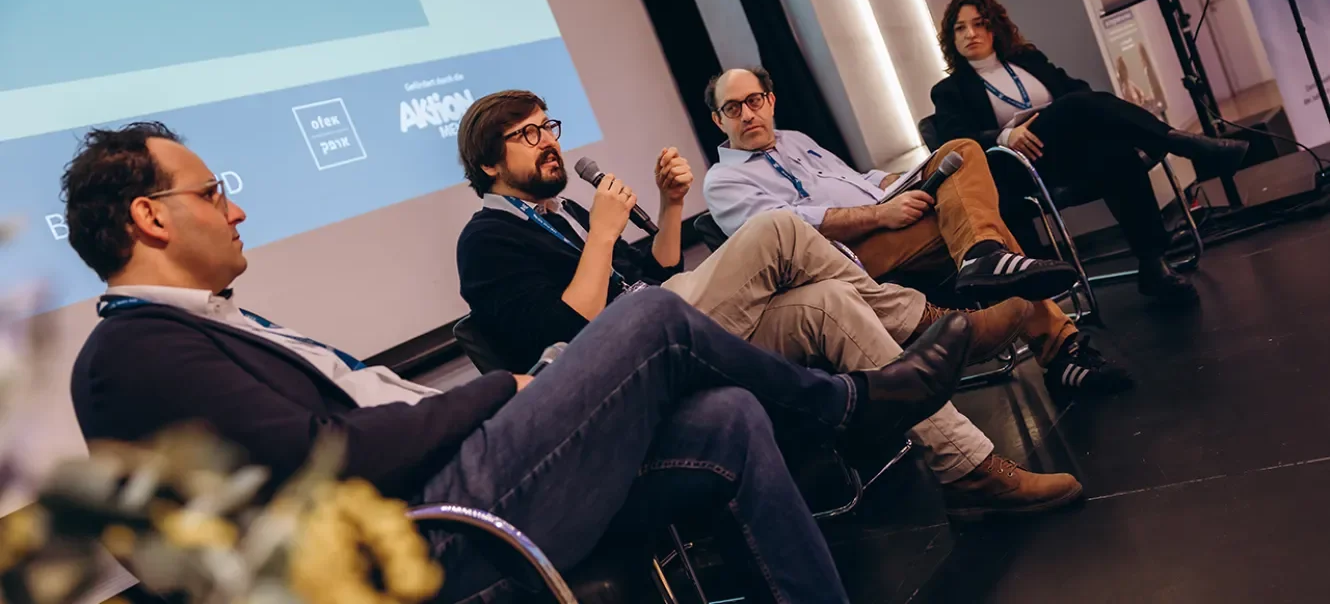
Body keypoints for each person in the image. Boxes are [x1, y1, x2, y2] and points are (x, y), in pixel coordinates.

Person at [62, 122, 972, 603]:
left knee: (728, 418)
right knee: (656, 315)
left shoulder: (208, 326)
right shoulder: (133, 353)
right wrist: (506, 389)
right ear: (149, 217)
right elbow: (330, 452)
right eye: (216, 193)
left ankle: (852, 412)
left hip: (460, 477)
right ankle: (850, 407)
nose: (236, 212)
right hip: (432, 523)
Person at [455, 90, 1083, 520]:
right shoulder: (486, 241)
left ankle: (968, 468)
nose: (548, 143)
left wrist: (669, 207)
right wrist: (601, 234)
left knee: (831, 301)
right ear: (488, 160)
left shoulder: (560, 218)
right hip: (621, 377)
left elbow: (652, 279)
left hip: (671, 327)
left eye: (548, 127)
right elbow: (571, 333)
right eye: (528, 134)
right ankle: (931, 324)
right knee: (777, 229)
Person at [702, 66, 1133, 395]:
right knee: (969, 220)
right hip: (841, 260)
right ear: (719, 121)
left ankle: (984, 255)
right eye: (733, 108)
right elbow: (790, 231)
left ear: (771, 101)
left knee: (960, 151)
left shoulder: (795, 139)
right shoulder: (723, 182)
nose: (748, 114)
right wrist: (880, 216)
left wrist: (898, 183)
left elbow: (859, 180)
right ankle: (1056, 343)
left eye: (754, 100)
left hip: (886, 219)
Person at [930, 0, 1250, 302]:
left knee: (1115, 154)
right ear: (951, 37)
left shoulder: (1028, 60)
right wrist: (1004, 136)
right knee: (1072, 107)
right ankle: (1180, 142)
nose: (971, 33)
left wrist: (1063, 114)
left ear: (994, 27)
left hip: (1073, 152)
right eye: (960, 27)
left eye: (980, 23)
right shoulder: (949, 90)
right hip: (1023, 165)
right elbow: (955, 140)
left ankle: (1153, 263)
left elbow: (1081, 92)